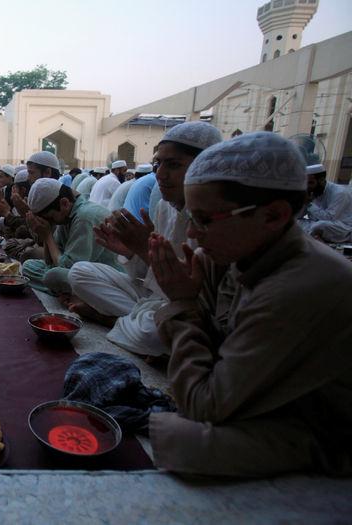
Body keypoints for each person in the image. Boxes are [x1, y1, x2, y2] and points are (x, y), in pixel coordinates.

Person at [148, 131, 352, 477]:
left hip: (315, 427)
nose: (193, 234)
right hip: (252, 396)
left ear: (273, 215)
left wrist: (182, 303)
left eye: (205, 220)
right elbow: (212, 344)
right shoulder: (225, 255)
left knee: (182, 437)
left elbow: (202, 404)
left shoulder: (302, 284)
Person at [66, 121, 222, 357]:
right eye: (158, 164)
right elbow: (144, 279)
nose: (160, 173)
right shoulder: (162, 207)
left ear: (204, 168)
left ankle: (108, 319)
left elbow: (196, 297)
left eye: (173, 165)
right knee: (78, 272)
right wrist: (132, 251)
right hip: (154, 297)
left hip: (187, 305)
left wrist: (143, 251)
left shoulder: (220, 218)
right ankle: (135, 322)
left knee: (152, 332)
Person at [21, 178, 122, 295]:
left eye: (51, 218)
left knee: (53, 276)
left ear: (64, 203)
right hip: (77, 272)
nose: (50, 223)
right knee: (28, 266)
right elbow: (51, 262)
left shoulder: (85, 217)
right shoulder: (68, 215)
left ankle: (73, 294)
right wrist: (45, 235)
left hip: (106, 279)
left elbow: (68, 268)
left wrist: (48, 235)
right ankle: (65, 292)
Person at [298, 164, 352, 242]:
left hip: (342, 227)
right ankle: (315, 237)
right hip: (315, 223)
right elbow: (299, 216)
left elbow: (329, 218)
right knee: (296, 222)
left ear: (321, 180)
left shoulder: (339, 193)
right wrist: (303, 203)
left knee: (320, 225)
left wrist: (309, 204)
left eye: (310, 183)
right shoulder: (312, 191)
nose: (308, 186)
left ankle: (312, 238)